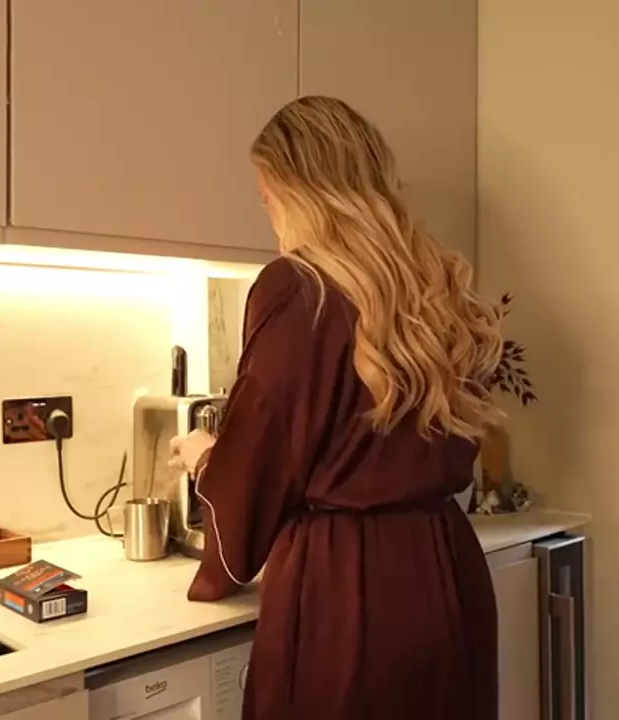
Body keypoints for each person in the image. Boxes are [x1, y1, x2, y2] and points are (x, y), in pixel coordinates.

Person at [168, 95, 505, 719]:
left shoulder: (298, 287)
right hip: (449, 576)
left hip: (347, 595)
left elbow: (261, 459)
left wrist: (206, 457)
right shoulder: (438, 290)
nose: (270, 218)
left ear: (296, 193)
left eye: (266, 198)